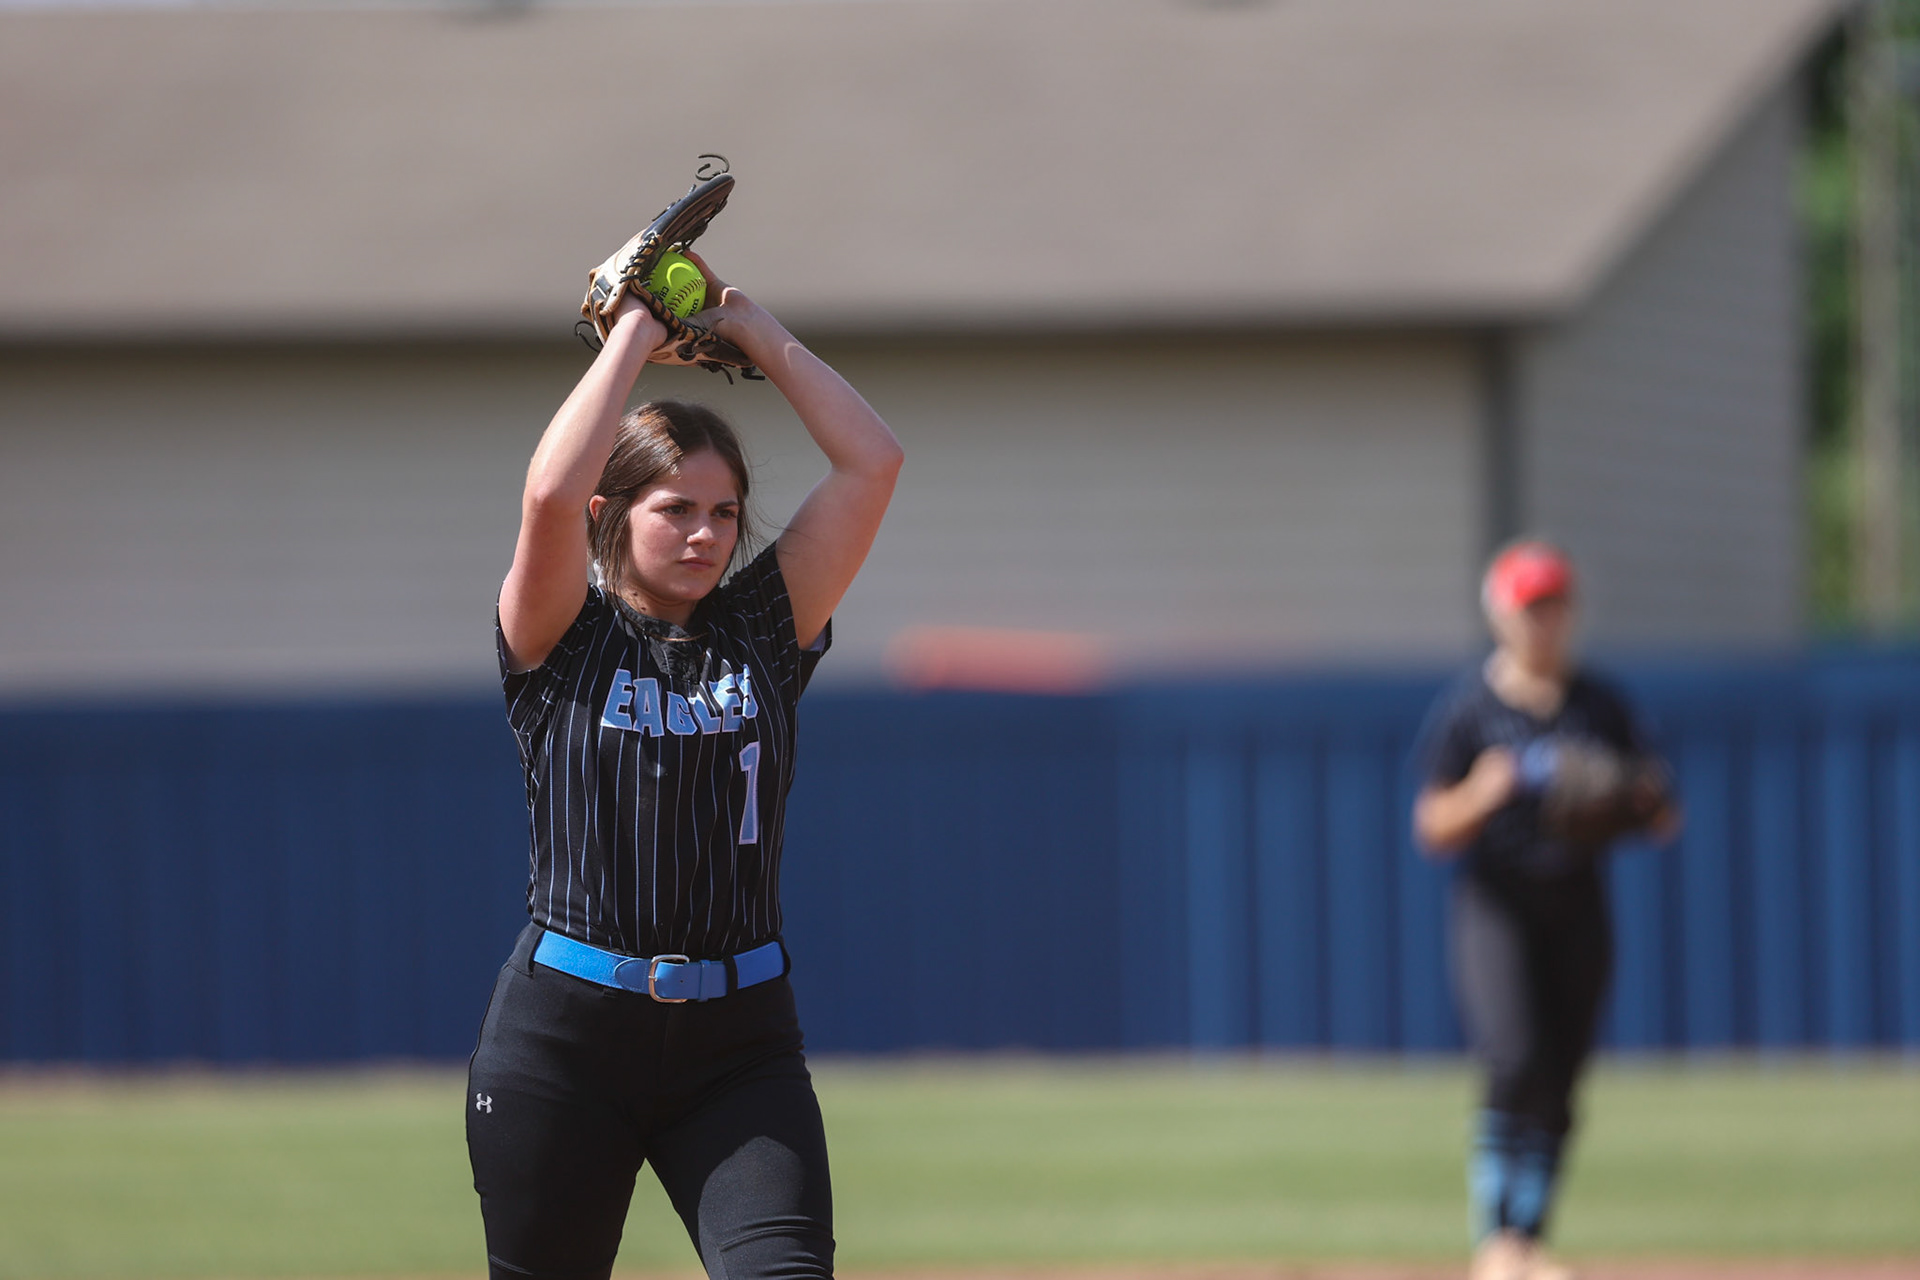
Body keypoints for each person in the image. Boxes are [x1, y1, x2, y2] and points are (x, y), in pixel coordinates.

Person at [466, 248, 903, 1280]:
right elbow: (546, 496)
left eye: (722, 511)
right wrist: (635, 330)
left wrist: (747, 322)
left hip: (739, 1041)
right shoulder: (561, 630)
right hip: (564, 1037)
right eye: (675, 508)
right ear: (614, 516)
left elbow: (872, 461)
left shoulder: (762, 622)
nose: (706, 532)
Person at [1412, 540, 1679, 1280]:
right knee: (1514, 1055)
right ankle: (1496, 1240)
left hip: (1577, 899)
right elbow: (1430, 825)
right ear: (1501, 613)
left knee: (1562, 1076)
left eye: (1555, 605)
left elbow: (1661, 813)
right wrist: (1486, 790)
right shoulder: (1472, 709)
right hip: (1497, 901)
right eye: (1531, 607)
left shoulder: (1600, 705)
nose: (1544, 621)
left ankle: (1529, 1238)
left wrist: (1631, 797)